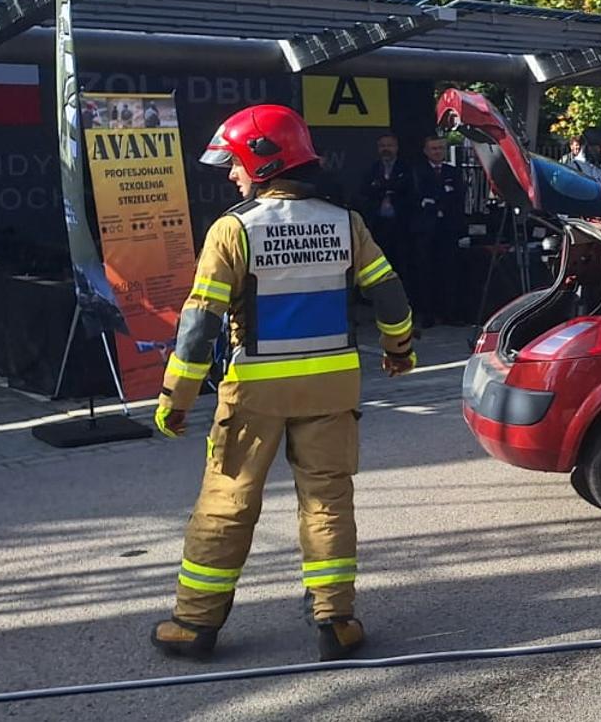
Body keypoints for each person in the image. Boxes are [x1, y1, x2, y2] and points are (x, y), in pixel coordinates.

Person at [149, 104, 416, 662]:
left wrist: (176, 398)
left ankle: (195, 625)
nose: (231, 174)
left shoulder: (234, 229)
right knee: (328, 502)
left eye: (235, 163)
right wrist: (399, 350)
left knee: (226, 503)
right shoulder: (347, 222)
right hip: (333, 387)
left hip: (256, 392)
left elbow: (200, 325)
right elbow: (389, 294)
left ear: (262, 161)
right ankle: (336, 621)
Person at [410, 135, 466, 327]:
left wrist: (437, 200)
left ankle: (449, 313)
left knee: (449, 271)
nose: (437, 152)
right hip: (426, 230)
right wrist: (440, 196)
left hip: (447, 229)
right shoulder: (417, 172)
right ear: (426, 151)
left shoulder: (453, 171)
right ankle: (427, 314)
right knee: (426, 272)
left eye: (441, 148)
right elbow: (419, 197)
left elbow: (458, 197)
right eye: (433, 149)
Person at [357, 134, 414, 267]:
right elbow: (363, 194)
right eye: (382, 146)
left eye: (389, 145)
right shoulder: (371, 170)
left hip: (401, 226)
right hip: (378, 226)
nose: (386, 149)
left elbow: (411, 194)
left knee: (402, 263)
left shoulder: (407, 169)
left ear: (397, 148)